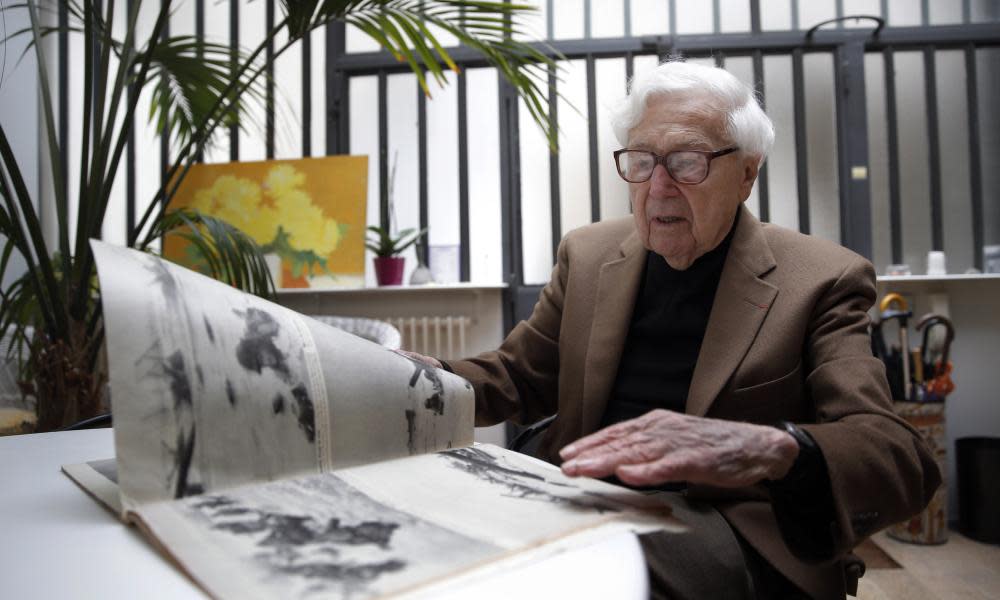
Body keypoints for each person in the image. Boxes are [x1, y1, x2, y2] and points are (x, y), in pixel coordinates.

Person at [403, 60, 939, 599]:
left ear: (747, 173)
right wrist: (423, 379)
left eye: (687, 161)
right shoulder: (587, 255)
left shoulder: (822, 278)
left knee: (566, 574)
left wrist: (771, 446)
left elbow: (894, 451)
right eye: (641, 160)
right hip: (577, 494)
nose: (658, 187)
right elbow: (517, 376)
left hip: (723, 521)